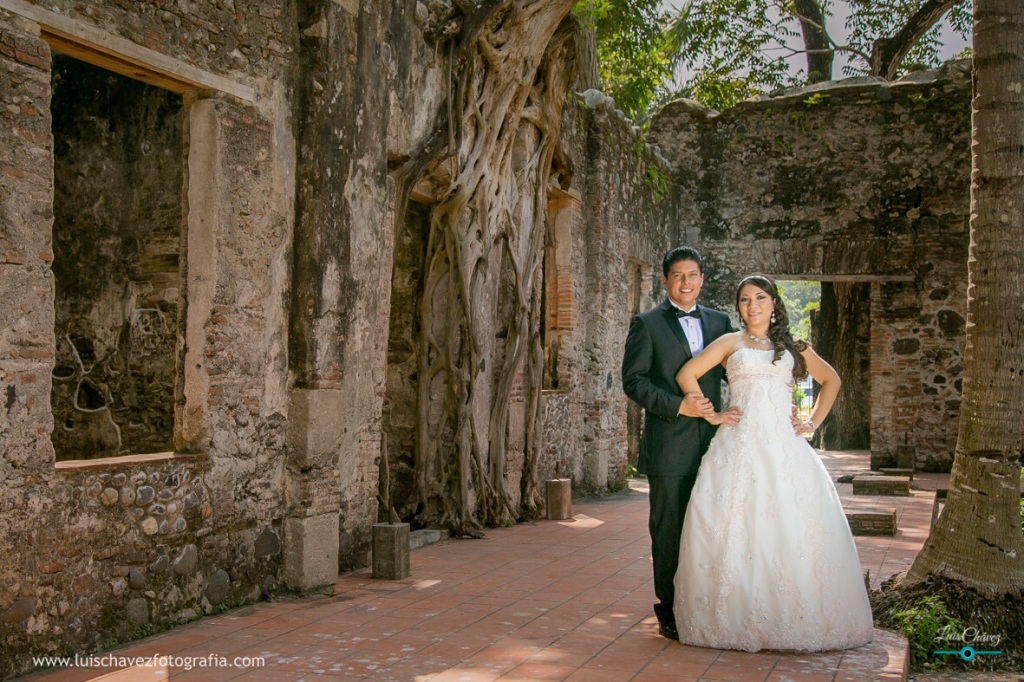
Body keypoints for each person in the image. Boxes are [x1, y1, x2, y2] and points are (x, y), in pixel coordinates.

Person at [672, 274, 874, 652]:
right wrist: (711, 414)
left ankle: (796, 616)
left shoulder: (795, 346)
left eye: (760, 298)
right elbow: (687, 374)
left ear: (774, 303)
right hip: (737, 446)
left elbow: (831, 380)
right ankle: (734, 616)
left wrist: (812, 422)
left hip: (784, 448)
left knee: (790, 525)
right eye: (745, 300)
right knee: (735, 525)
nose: (752, 306)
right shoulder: (730, 342)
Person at [621, 246, 738, 641]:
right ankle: (669, 608)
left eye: (692, 275)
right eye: (677, 276)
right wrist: (678, 406)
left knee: (711, 525)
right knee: (669, 527)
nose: (686, 282)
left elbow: (738, 374)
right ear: (665, 280)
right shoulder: (647, 323)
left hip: (716, 445)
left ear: (702, 279)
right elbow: (634, 381)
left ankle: (706, 600)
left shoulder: (722, 322)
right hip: (668, 444)